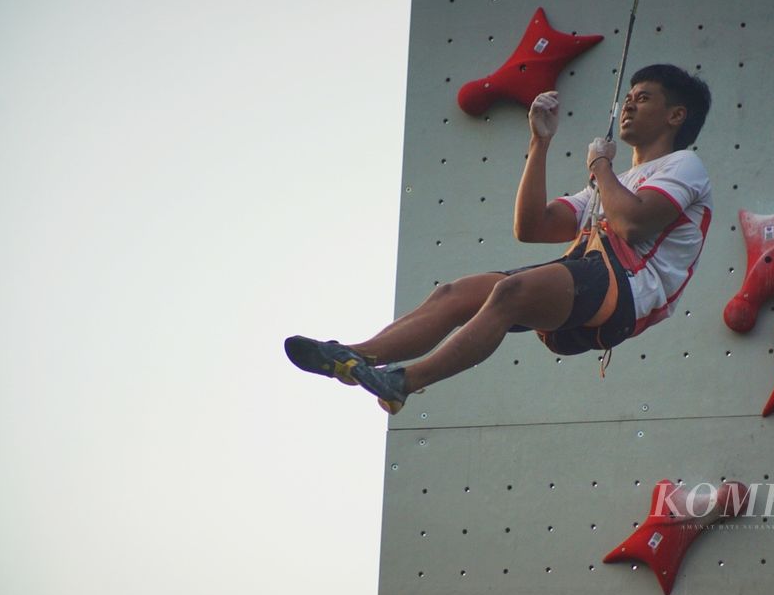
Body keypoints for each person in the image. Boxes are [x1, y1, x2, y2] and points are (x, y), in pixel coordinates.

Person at [285, 64, 713, 414]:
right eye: (629, 97)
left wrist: (601, 166)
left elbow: (634, 223)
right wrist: (539, 142)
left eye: (644, 98)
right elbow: (532, 226)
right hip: (590, 277)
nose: (629, 106)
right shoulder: (615, 182)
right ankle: (360, 356)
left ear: (676, 115)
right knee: (453, 294)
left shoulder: (684, 166)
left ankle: (404, 381)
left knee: (510, 292)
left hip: (629, 293)